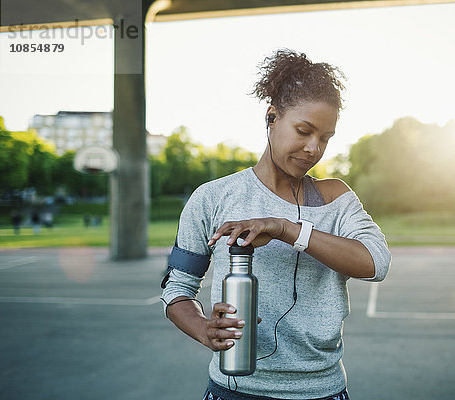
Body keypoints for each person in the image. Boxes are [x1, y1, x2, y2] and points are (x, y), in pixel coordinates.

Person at [161, 49, 391, 400]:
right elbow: (177, 287)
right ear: (271, 117)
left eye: (325, 138)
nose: (314, 148)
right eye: (303, 130)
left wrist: (287, 229)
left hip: (323, 390)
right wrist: (203, 327)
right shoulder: (213, 197)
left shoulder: (335, 198)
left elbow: (376, 263)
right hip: (234, 390)